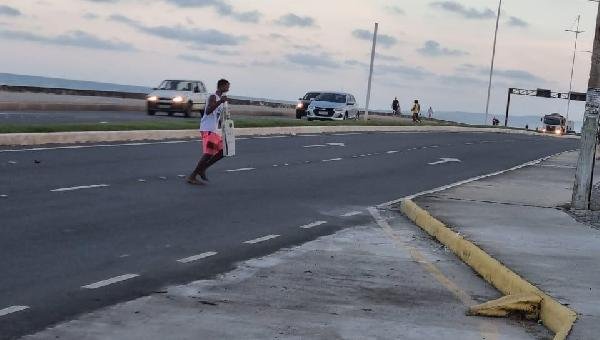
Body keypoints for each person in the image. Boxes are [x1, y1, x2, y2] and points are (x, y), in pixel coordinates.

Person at [187, 79, 230, 185]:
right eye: (227, 86)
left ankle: (203, 169)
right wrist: (220, 101)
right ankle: (192, 176)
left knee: (224, 150)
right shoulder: (213, 97)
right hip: (207, 129)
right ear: (222, 86)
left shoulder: (221, 99)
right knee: (208, 154)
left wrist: (225, 125)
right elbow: (208, 110)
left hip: (214, 130)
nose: (228, 88)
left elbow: (217, 116)